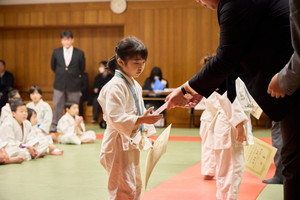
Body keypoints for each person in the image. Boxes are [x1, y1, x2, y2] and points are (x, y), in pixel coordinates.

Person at [165, 1, 299, 199]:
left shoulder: (235, 4)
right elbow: (234, 61)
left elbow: (227, 60)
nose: (199, 3)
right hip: (285, 86)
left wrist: (186, 89)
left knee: (292, 162)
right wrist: (202, 90)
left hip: (293, 83)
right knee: (291, 160)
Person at [98, 37, 162, 200]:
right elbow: (114, 117)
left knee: (135, 184)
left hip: (130, 141)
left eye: (143, 63)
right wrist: (140, 120)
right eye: (136, 63)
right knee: (122, 189)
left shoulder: (134, 84)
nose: (141, 67)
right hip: (117, 143)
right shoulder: (114, 86)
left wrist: (146, 138)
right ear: (121, 61)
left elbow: (136, 115)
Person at [266, 0, 300, 197]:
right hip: (286, 89)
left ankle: (279, 174)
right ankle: (279, 173)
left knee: (292, 158)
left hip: (290, 89)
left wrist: (284, 77)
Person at [50, 30, 85, 132]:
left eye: (68, 39)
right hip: (59, 83)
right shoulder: (56, 52)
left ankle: (76, 126)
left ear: (72, 40)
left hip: (74, 84)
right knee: (57, 105)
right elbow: (53, 66)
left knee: (74, 106)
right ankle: (55, 125)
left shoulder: (79, 53)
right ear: (61, 41)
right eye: (64, 39)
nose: (66, 42)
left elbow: (82, 68)